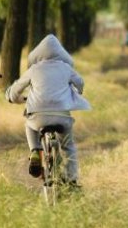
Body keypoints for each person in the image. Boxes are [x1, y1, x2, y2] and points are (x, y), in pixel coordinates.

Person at [5, 34, 91, 186]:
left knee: (29, 125)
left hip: (38, 117)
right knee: (68, 146)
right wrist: (76, 92)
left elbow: (14, 91)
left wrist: (13, 98)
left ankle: (34, 152)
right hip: (62, 116)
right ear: (61, 54)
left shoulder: (34, 69)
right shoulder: (66, 68)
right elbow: (80, 83)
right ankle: (71, 179)